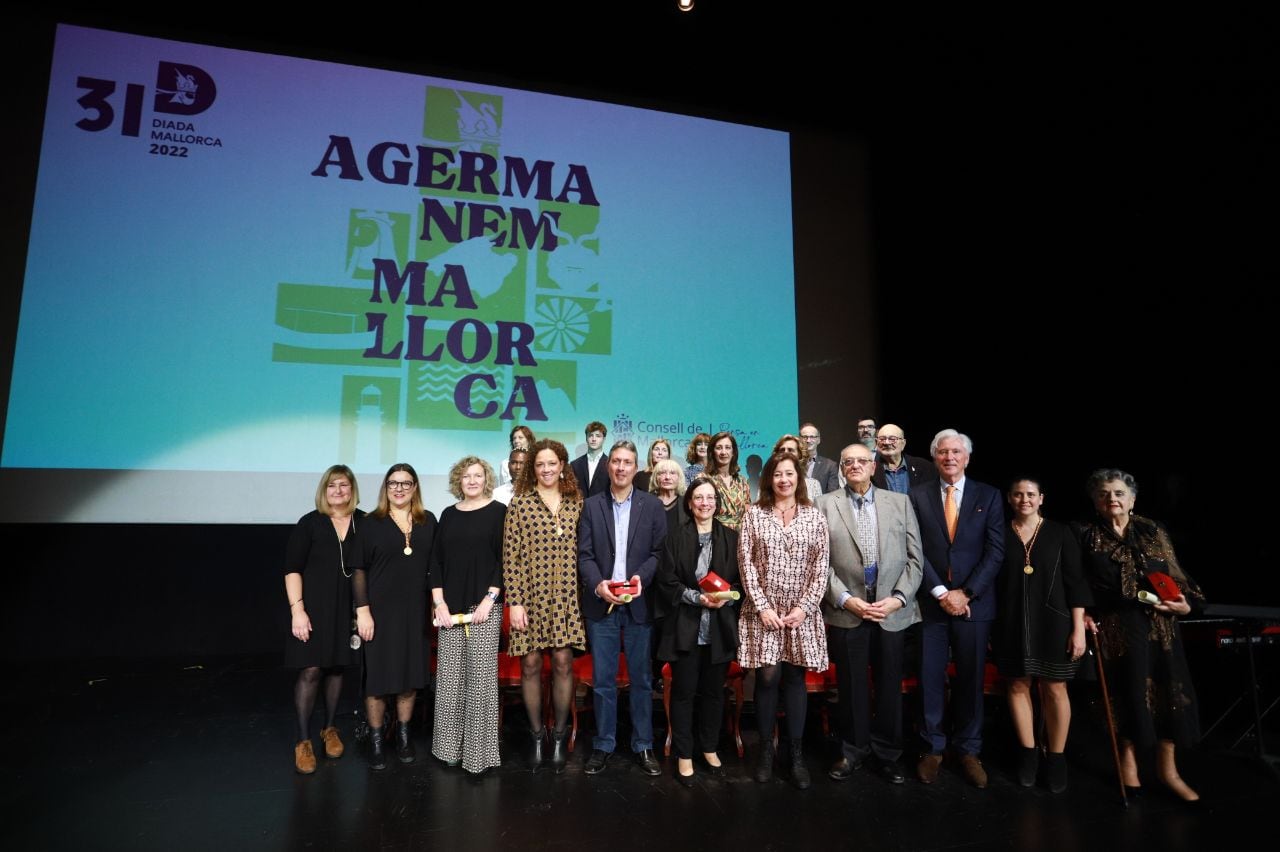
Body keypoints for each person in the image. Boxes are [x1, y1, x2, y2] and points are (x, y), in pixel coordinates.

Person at [1076, 468, 1205, 802]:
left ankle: (1168, 772)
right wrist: (1086, 612)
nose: (1112, 499)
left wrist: (1186, 605)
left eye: (1119, 493)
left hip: (1161, 627)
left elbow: (1175, 573)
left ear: (1132, 499)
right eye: (1104, 494)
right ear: (1095, 501)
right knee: (1127, 694)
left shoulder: (1153, 529)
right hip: (1119, 629)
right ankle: (1128, 769)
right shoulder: (1086, 534)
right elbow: (1079, 584)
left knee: (1168, 696)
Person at [818, 444, 923, 786]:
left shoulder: (900, 503)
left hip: (891, 612)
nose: (854, 466)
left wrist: (898, 599)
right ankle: (852, 751)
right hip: (848, 611)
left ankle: (888, 755)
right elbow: (820, 564)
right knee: (850, 687)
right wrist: (846, 599)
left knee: (889, 686)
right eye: (847, 462)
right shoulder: (824, 504)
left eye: (861, 461)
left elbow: (915, 560)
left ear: (873, 466)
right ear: (842, 469)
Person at [908, 429, 1004, 788]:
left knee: (970, 679)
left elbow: (995, 551)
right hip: (932, 605)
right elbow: (914, 549)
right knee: (930, 678)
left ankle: (968, 749)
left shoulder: (989, 495)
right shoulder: (917, 496)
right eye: (943, 452)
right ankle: (932, 748)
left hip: (973, 606)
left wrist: (966, 593)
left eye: (956, 452)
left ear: (967, 458)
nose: (949, 457)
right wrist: (940, 592)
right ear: (934, 458)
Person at [737, 452, 830, 790]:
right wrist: (762, 606)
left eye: (789, 474)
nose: (783, 480)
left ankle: (795, 754)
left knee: (794, 679)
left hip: (799, 614)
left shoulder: (814, 517)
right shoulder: (754, 515)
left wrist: (805, 607)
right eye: (777, 474)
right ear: (769, 480)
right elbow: (746, 565)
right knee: (766, 679)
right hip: (764, 613)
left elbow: (822, 567)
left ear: (798, 479)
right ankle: (765, 751)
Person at [578, 440, 668, 777]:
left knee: (642, 681)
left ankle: (644, 745)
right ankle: (603, 745)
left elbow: (658, 553)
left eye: (627, 462)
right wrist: (599, 585)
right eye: (615, 461)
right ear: (607, 466)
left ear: (635, 468)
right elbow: (584, 555)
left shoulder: (652, 506)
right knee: (602, 681)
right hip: (602, 605)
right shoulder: (590, 506)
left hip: (638, 606)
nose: (620, 467)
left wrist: (639, 579)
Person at [996, 477, 1092, 792]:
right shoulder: (999, 531)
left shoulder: (1061, 532)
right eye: (1018, 494)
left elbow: (1076, 582)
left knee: (1055, 689)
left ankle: (1056, 758)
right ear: (1010, 499)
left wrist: (1078, 629)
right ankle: (1028, 755)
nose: (1024, 499)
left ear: (1041, 499)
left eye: (1031, 494)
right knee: (1017, 685)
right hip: (1011, 621)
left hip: (1055, 621)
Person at [503, 438, 586, 773]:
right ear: (532, 469)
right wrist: (516, 602)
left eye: (553, 463)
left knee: (564, 662)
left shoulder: (576, 502)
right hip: (531, 597)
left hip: (567, 596)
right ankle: (537, 735)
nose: (547, 469)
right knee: (531, 665)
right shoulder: (520, 504)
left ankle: (559, 733)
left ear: (562, 465)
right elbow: (511, 558)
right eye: (540, 464)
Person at [655, 477, 741, 786]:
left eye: (710, 498)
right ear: (689, 503)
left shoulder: (732, 537)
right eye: (698, 498)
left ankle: (708, 747)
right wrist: (696, 597)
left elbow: (741, 582)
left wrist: (725, 596)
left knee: (713, 694)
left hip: (719, 627)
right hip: (686, 627)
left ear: (717, 504)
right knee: (683, 693)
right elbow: (666, 581)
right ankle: (684, 753)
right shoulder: (675, 537)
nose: (704, 503)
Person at [354, 463, 437, 770]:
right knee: (377, 680)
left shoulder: (428, 522)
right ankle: (377, 742)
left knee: (410, 678)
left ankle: (403, 738)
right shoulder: (370, 523)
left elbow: (435, 568)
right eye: (393, 483)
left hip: (415, 613)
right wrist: (362, 611)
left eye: (405, 483)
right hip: (378, 613)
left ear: (414, 487)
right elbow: (358, 569)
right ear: (385, 487)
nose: (399, 489)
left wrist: (434, 601)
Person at [428, 457, 505, 775]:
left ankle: (478, 756)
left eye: (478, 475)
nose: (472, 480)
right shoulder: (447, 514)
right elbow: (436, 561)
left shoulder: (500, 512)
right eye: (466, 476)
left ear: (486, 479)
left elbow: (504, 562)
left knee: (480, 683)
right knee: (449, 681)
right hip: (449, 608)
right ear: (458, 480)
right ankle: (449, 750)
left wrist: (489, 599)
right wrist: (439, 602)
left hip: (484, 607)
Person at [284, 465, 363, 774]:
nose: (338, 491)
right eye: (332, 486)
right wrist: (297, 610)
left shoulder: (364, 522)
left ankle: (329, 728)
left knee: (336, 668)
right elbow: (292, 569)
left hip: (348, 609)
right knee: (312, 670)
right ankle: (302, 741)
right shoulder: (310, 523)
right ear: (324, 490)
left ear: (352, 489)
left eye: (344, 485)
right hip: (313, 608)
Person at [870, 424, 936, 494]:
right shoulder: (869, 470)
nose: (886, 443)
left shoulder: (924, 467)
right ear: (876, 443)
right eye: (882, 439)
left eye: (892, 439)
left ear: (903, 443)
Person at [705, 431, 751, 529]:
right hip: (714, 534)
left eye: (728, 447)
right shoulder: (703, 479)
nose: (723, 452)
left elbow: (747, 512)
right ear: (712, 452)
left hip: (740, 536)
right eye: (719, 448)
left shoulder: (742, 481)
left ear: (733, 452)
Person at [773, 434, 822, 499]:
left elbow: (818, 508)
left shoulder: (813, 485)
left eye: (790, 450)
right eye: (782, 450)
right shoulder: (769, 483)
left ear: (800, 455)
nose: (785, 453)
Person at [570, 421, 610, 498]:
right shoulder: (575, 465)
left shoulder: (610, 464)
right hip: (580, 508)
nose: (594, 439)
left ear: (604, 439)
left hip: (603, 508)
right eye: (590, 435)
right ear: (586, 438)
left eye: (598, 436)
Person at [799, 422, 841, 494]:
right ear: (800, 439)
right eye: (805, 437)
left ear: (818, 440)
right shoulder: (793, 463)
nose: (808, 440)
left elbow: (832, 495)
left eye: (812, 437)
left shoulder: (830, 466)